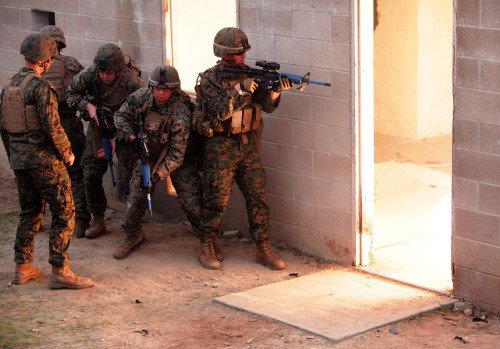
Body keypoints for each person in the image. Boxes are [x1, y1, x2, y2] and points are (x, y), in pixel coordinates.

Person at [0, 33, 92, 289]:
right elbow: (53, 127)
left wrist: (14, 157)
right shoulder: (40, 88)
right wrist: (67, 153)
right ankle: (60, 270)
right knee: (65, 211)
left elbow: (4, 129)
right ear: (46, 60)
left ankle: (22, 267)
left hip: (20, 162)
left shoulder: (8, 87)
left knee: (30, 212)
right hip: (44, 162)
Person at [195, 27, 292, 270]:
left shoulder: (250, 75)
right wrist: (240, 90)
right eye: (239, 53)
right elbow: (218, 111)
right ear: (225, 54)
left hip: (247, 145)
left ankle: (263, 247)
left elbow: (266, 107)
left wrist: (276, 91)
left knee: (258, 196)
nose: (244, 57)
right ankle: (207, 245)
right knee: (216, 199)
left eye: (244, 52)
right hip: (221, 146)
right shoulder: (210, 79)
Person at [113, 65, 203, 259]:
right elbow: (120, 116)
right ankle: (133, 234)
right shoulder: (141, 97)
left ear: (174, 90)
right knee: (136, 195)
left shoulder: (180, 112)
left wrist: (158, 174)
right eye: (157, 88)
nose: (161, 93)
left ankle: (206, 240)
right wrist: (130, 135)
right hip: (149, 153)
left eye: (166, 89)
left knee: (192, 203)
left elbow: (177, 154)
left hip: (177, 158)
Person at [66, 43, 143, 239]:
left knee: (130, 178)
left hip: (125, 130)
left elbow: (141, 112)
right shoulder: (90, 74)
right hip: (99, 128)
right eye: (101, 72)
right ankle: (98, 219)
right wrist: (87, 106)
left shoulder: (131, 81)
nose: (104, 76)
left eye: (109, 72)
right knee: (90, 172)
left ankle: (133, 225)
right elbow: (70, 94)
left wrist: (118, 136)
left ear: (118, 70)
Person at [39, 25, 90, 238]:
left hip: (46, 126)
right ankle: (81, 220)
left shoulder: (37, 67)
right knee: (76, 173)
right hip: (69, 125)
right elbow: (86, 92)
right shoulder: (72, 64)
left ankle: (41, 219)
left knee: (43, 173)